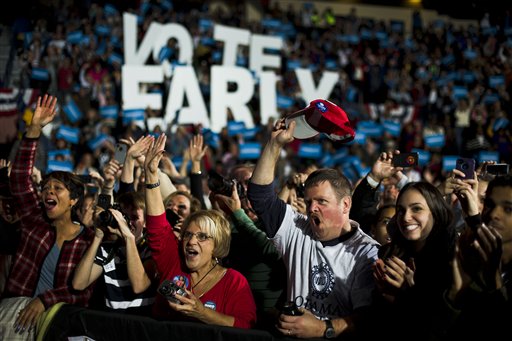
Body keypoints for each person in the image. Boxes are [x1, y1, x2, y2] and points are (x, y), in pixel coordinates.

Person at [247, 118, 379, 339]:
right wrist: (274, 144)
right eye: (308, 202)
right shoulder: (297, 228)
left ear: (345, 204)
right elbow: (260, 197)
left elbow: (368, 318)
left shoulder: (366, 252)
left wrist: (321, 328)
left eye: (321, 202)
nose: (311, 208)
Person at [0, 95, 95, 340]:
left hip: (55, 326)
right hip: (14, 318)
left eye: (57, 188)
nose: (48, 191)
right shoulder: (35, 219)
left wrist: (45, 300)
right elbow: (20, 177)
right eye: (46, 188)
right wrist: (34, 128)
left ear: (73, 200)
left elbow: (82, 293)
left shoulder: (88, 241)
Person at [144, 134, 257, 328]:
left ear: (218, 244)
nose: (191, 241)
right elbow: (157, 226)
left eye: (202, 236)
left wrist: (203, 313)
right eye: (188, 234)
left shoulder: (234, 282)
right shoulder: (174, 261)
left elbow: (245, 325)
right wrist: (151, 174)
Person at [372, 181, 457, 341]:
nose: (406, 217)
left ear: (435, 212)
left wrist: (409, 292)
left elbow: (444, 326)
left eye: (416, 208)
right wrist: (383, 295)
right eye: (400, 210)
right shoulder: (389, 253)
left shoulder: (452, 260)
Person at [442, 174, 512, 339]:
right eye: (489, 204)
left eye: (508, 209)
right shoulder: (465, 260)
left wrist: (494, 282)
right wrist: (454, 296)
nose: (494, 213)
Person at [72, 191, 158, 315]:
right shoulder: (109, 250)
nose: (128, 223)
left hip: (141, 322)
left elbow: (139, 285)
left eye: (134, 218)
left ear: (145, 222)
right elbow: (78, 284)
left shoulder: (150, 249)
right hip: (112, 323)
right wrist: (98, 236)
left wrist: (129, 238)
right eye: (124, 217)